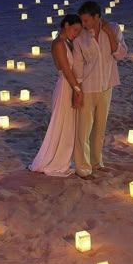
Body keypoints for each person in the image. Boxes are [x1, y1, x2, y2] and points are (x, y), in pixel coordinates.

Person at [73, 1, 128, 180]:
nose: (84, 24)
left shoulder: (113, 28)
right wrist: (77, 90)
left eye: (87, 20)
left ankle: (97, 163)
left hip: (106, 86)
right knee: (83, 130)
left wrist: (109, 34)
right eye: (82, 20)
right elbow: (78, 64)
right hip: (87, 88)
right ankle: (83, 168)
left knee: (100, 129)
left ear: (97, 17)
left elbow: (120, 54)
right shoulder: (80, 36)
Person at [29, 14, 82, 177]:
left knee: (67, 125)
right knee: (61, 123)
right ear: (66, 25)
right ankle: (54, 161)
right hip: (66, 86)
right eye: (74, 29)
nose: (76, 33)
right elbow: (66, 69)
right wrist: (76, 90)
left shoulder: (68, 43)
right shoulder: (59, 44)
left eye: (78, 31)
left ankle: (62, 159)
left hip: (70, 85)